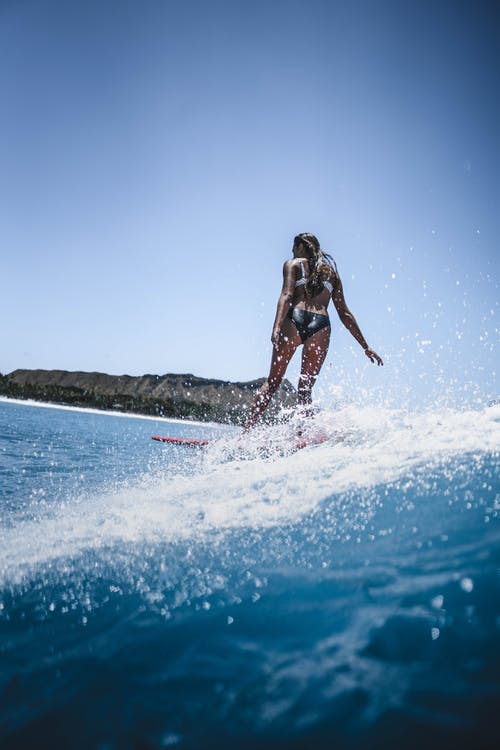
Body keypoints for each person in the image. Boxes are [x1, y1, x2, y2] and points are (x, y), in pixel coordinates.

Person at [244, 233, 383, 430]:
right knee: (305, 390)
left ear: (302, 246)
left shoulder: (292, 264)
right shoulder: (332, 274)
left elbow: (286, 295)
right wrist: (365, 346)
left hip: (294, 318)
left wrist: (276, 326)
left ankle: (246, 432)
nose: (292, 250)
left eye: (294, 245)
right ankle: (303, 439)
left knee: (273, 382)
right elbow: (344, 313)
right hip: (321, 325)